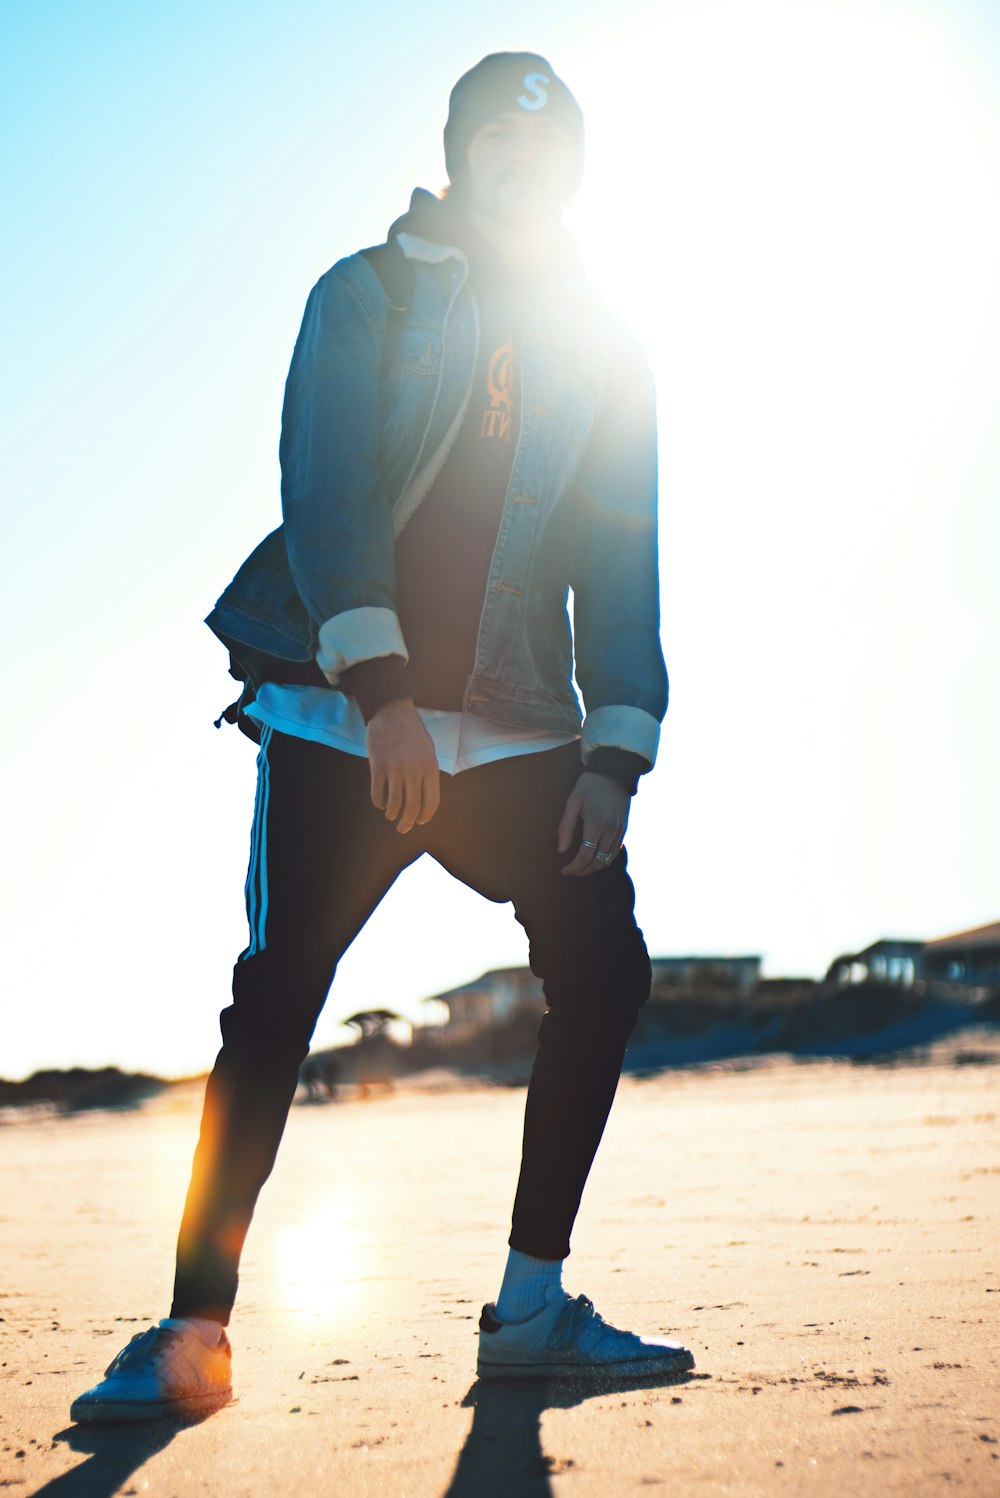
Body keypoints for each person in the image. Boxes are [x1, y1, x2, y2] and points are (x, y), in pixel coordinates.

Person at [71, 51, 693, 1423]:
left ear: (572, 171)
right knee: (279, 991)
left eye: (551, 150)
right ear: (465, 155)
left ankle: (532, 1307)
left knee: (604, 965)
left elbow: (625, 556)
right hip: (351, 712)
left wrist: (614, 754)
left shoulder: (607, 343)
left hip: (524, 725)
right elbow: (327, 483)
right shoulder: (367, 293)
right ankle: (193, 1329)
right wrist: (385, 689)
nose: (525, 166)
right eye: (500, 143)